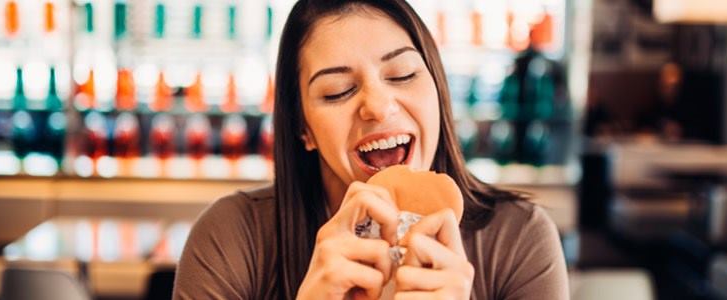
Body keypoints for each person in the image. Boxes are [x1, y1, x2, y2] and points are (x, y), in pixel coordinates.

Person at [173, 1, 568, 299]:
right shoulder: (230, 238)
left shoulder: (519, 239)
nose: (378, 106)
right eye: (337, 91)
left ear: (438, 91)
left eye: (403, 74)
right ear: (303, 128)